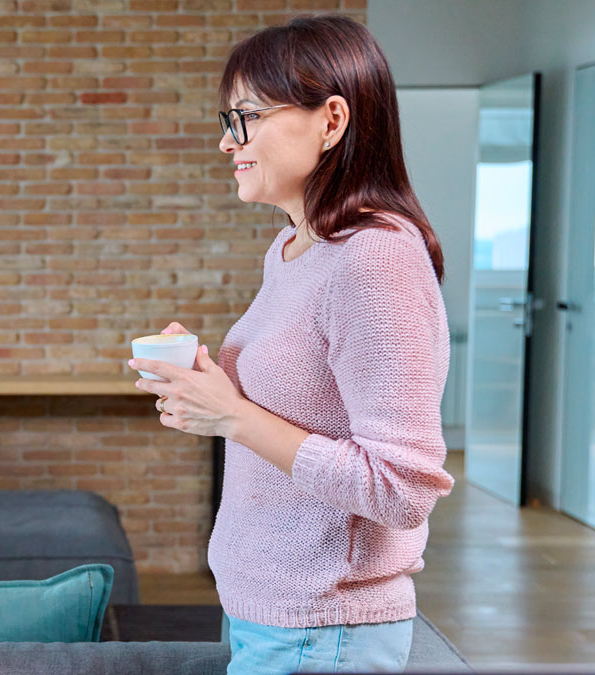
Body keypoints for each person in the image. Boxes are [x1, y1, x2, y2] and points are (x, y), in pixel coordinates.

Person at [128, 15, 454, 674]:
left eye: (246, 117)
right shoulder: (293, 247)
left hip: (323, 626)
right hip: (269, 611)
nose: (227, 142)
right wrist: (209, 383)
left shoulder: (375, 258)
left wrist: (233, 416)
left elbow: (401, 488)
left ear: (331, 121)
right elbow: (302, 406)